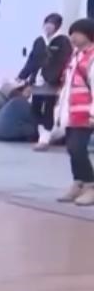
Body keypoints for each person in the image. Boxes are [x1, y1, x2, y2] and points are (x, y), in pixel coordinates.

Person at [17, 13, 72, 151]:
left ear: (57, 26)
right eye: (46, 24)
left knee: (48, 110)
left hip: (51, 81)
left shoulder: (63, 41)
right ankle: (43, 134)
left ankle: (44, 139)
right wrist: (23, 75)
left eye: (51, 25)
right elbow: (32, 59)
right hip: (36, 81)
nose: (48, 27)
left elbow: (64, 61)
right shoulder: (39, 41)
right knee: (35, 109)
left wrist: (57, 78)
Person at [56, 18, 94, 205]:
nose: (73, 37)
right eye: (71, 33)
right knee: (72, 149)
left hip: (86, 113)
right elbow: (67, 87)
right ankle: (78, 182)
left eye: (77, 33)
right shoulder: (75, 56)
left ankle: (90, 185)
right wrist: (59, 112)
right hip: (72, 112)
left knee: (78, 148)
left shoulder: (91, 57)